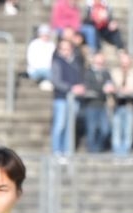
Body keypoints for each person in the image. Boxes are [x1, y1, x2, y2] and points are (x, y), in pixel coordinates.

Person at [50, 29, 86, 157]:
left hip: (74, 99)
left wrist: (81, 87)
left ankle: (67, 151)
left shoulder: (76, 62)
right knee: (60, 125)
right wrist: (71, 88)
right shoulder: (57, 62)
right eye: (62, 49)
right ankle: (57, 151)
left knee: (70, 127)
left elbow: (81, 77)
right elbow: (56, 81)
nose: (65, 51)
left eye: (67, 48)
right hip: (61, 98)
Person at [109, 49, 133, 155]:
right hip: (116, 104)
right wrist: (119, 89)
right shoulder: (114, 72)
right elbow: (111, 85)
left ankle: (125, 152)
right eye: (123, 60)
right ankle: (117, 152)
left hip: (129, 105)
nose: (124, 63)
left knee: (128, 130)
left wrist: (129, 90)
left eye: (126, 60)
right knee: (116, 129)